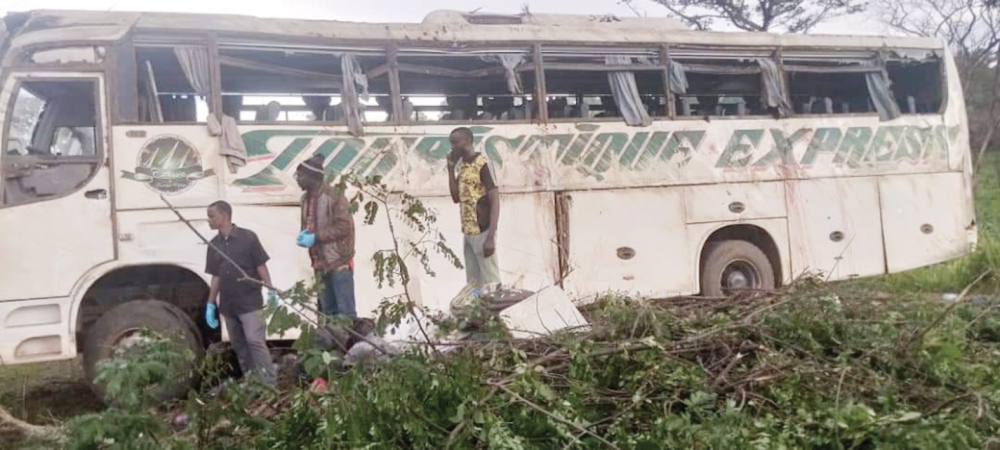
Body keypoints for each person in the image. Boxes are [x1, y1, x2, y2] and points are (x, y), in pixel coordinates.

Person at [204, 200, 277, 386]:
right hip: (228, 304)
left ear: (224, 216)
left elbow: (261, 265)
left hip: (249, 301)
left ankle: (270, 384)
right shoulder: (213, 245)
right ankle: (252, 383)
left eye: (212, 216)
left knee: (255, 341)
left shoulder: (248, 238)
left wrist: (270, 289)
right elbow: (216, 277)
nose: (209, 220)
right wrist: (211, 304)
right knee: (239, 346)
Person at [295, 154, 357, 318]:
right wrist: (304, 235)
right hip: (319, 263)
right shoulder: (304, 199)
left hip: (339, 262)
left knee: (345, 314)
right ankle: (333, 343)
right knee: (328, 313)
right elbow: (308, 225)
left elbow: (345, 227)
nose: (297, 180)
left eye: (300, 176)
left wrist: (316, 236)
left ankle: (348, 343)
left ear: (312, 177)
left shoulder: (334, 195)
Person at [447, 127, 501, 286]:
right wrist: (450, 170)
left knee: (491, 280)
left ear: (468, 142)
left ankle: (496, 310)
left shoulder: (483, 164)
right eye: (451, 143)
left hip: (483, 231)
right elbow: (456, 198)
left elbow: (495, 201)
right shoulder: (462, 166)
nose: (453, 147)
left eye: (456, 143)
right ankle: (478, 310)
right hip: (468, 232)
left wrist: (490, 237)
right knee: (473, 283)